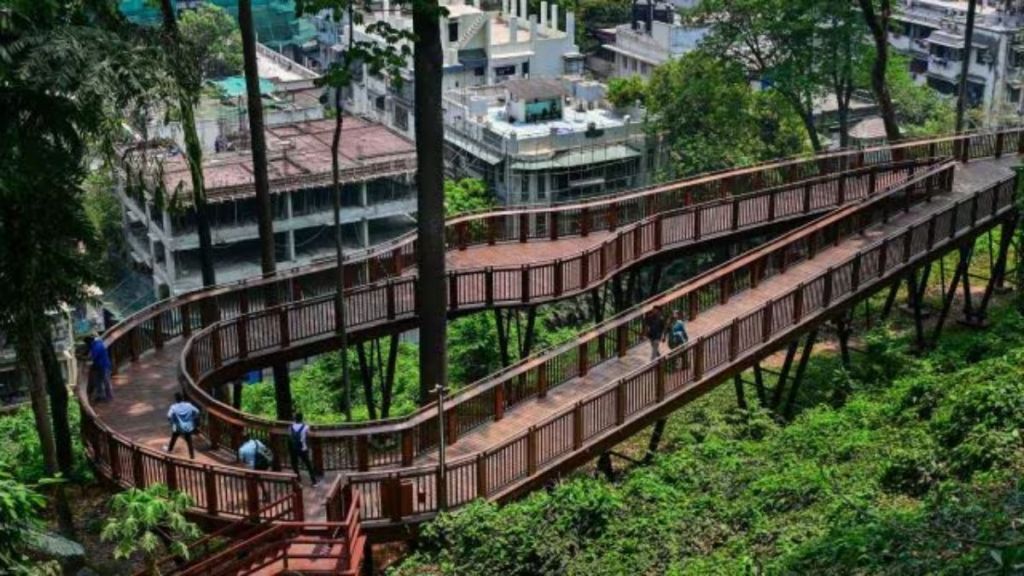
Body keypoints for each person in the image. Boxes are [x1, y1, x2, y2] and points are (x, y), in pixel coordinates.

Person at [165, 392, 200, 459]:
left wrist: (172, 422)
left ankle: (169, 450)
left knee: (173, 437)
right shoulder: (189, 405)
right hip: (188, 427)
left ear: (176, 399)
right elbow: (197, 412)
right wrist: (193, 418)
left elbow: (169, 416)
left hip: (178, 427)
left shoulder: (173, 407)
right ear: (183, 398)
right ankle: (192, 456)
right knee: (189, 441)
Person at [288, 413, 318, 486]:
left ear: (295, 418)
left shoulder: (290, 427)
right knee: (308, 465)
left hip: (293, 449)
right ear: (302, 419)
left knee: (294, 464)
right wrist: (313, 430)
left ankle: (298, 481)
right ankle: (314, 481)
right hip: (303, 448)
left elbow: (290, 436)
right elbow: (311, 434)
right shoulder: (305, 427)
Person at [85, 335, 113, 402]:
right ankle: (101, 396)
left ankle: (109, 397)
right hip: (100, 365)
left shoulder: (96, 347)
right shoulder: (98, 343)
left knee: (106, 381)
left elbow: (91, 357)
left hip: (103, 366)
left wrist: (83, 357)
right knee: (99, 382)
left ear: (89, 342)